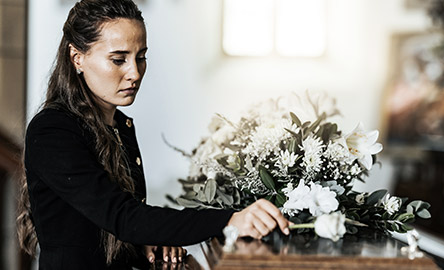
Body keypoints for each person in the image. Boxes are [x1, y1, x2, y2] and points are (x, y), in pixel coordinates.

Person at [16, 0, 291, 269]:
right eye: (118, 59)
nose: (134, 73)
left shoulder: (118, 126)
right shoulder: (52, 129)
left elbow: (103, 228)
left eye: (141, 57)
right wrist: (229, 220)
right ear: (77, 58)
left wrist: (145, 241)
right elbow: (122, 218)